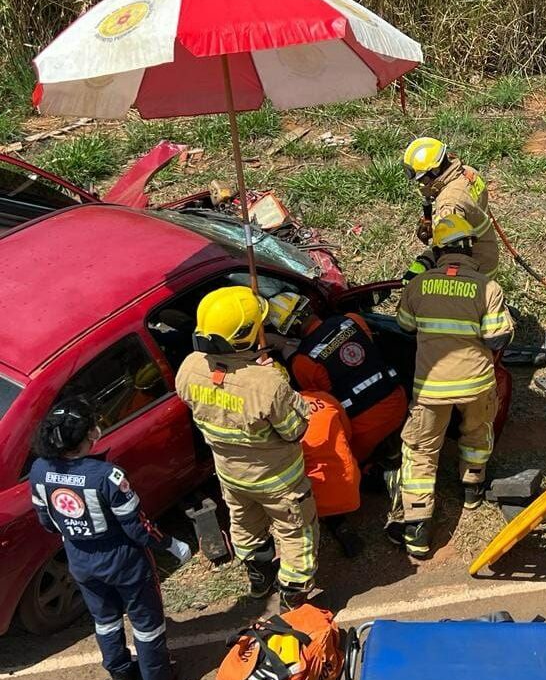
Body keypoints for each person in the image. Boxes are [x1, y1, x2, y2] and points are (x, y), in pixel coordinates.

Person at [29, 398, 191, 680]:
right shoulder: (107, 476)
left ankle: (121, 679)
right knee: (147, 625)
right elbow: (138, 528)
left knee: (105, 621)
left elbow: (47, 522)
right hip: (126, 563)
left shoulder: (39, 470)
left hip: (81, 562)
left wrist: (75, 535)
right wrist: (170, 544)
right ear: (87, 434)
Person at [175, 286, 318, 609]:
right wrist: (277, 380)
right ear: (249, 333)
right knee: (297, 532)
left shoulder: (189, 367)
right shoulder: (267, 384)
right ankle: (294, 593)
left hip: (230, 476)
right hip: (279, 480)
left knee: (245, 525)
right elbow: (295, 430)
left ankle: (259, 577)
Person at [394, 214, 514, 557]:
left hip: (431, 388)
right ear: (470, 247)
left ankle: (417, 527)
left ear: (437, 249)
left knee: (420, 451)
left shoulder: (418, 286)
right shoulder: (487, 287)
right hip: (476, 383)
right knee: (477, 431)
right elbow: (496, 338)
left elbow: (404, 326)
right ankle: (472, 487)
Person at [265, 293, 407, 464]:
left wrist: (285, 348)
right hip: (398, 401)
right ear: (309, 307)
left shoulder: (302, 363)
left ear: (289, 331)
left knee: (353, 465)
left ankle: (374, 473)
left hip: (363, 428)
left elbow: (323, 401)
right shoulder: (353, 320)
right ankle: (395, 453)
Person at [401, 137, 500, 282]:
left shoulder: (449, 204)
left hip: (475, 269)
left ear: (434, 171)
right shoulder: (467, 172)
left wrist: (424, 262)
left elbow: (451, 250)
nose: (421, 185)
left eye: (422, 180)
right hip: (488, 250)